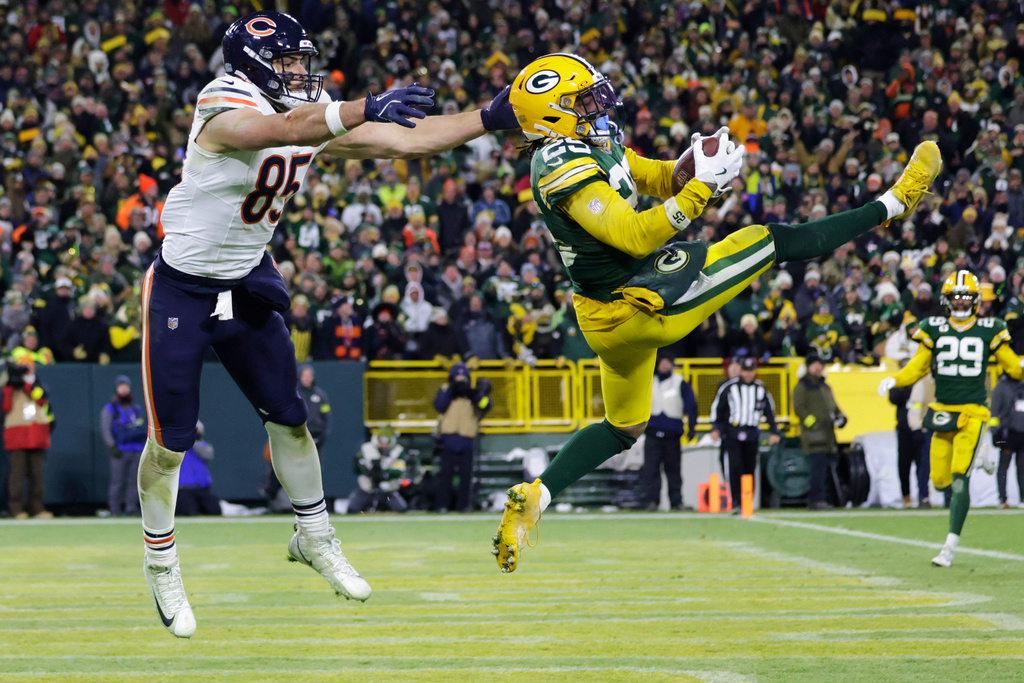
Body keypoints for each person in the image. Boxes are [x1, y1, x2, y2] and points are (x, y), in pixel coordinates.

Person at [137, 11, 519, 638]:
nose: (299, 72)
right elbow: (278, 128)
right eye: (288, 61)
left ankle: (314, 535)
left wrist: (487, 119)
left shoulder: (305, 111)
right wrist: (364, 103)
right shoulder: (222, 102)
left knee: (291, 417)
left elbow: (403, 141)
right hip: (183, 287)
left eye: (299, 60)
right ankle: (162, 563)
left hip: (247, 274)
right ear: (255, 62)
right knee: (170, 442)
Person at [492, 52, 940, 572]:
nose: (599, 104)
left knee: (623, 426)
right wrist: (701, 188)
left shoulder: (590, 142)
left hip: (603, 315)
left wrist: (690, 165)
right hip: (636, 306)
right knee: (769, 240)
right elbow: (634, 234)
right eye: (583, 100)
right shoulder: (557, 165)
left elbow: (653, 176)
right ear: (552, 113)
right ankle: (895, 203)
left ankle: (536, 499)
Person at [878, 271, 1024, 567]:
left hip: (973, 411)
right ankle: (981, 459)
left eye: (965, 297)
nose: (960, 303)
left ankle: (949, 547)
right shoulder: (933, 327)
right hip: (942, 410)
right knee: (940, 480)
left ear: (975, 300)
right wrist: (896, 380)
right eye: (955, 297)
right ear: (946, 300)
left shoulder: (989, 327)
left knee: (959, 479)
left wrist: (1022, 364)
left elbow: (1012, 367)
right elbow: (918, 366)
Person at [709, 357, 782, 513]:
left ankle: (746, 501)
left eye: (751, 371)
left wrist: (774, 431)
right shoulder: (729, 388)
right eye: (746, 371)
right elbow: (718, 409)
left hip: (752, 433)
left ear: (755, 371)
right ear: (741, 370)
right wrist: (716, 428)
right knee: (734, 467)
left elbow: (769, 412)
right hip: (733, 432)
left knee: (749, 468)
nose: (748, 374)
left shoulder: (761, 389)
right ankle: (735, 502)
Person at [640, 354, 697, 511]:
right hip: (652, 432)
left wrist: (692, 426)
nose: (665, 366)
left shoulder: (680, 382)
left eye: (668, 363)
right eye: (663, 363)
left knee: (673, 470)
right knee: (651, 469)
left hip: (672, 434)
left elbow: (691, 404)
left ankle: (676, 501)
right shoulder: (648, 380)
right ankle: (651, 501)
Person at [432, 362, 492, 512]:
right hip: (449, 437)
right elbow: (439, 406)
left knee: (466, 475)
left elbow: (486, 405)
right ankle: (443, 505)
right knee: (446, 475)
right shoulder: (446, 390)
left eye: (463, 376)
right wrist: (452, 392)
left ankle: (463, 506)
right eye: (457, 376)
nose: (460, 379)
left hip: (467, 437)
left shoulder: (472, 393)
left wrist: (475, 394)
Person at [792, 353, 847, 510]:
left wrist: (841, 418)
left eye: (820, 364)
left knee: (826, 470)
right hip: (814, 437)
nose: (818, 367)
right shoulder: (802, 386)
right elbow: (799, 409)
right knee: (818, 470)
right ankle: (816, 500)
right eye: (815, 364)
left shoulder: (825, 386)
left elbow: (833, 407)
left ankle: (827, 499)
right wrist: (813, 424)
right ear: (808, 367)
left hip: (828, 436)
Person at [2, 358, 54, 519]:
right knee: (17, 475)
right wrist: (10, 380)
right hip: (17, 436)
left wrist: (28, 382)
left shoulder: (37, 384)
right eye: (23, 368)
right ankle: (16, 509)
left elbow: (42, 398)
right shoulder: (8, 386)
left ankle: (37, 508)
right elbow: (5, 406)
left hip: (36, 436)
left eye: (29, 367)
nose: (26, 371)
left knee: (36, 475)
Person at [100, 375, 147, 517]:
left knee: (135, 482)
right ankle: (114, 509)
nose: (124, 389)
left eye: (126, 386)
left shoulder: (136, 408)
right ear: (116, 388)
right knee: (117, 482)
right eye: (121, 386)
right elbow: (105, 428)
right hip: (120, 450)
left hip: (136, 449)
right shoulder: (110, 408)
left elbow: (142, 426)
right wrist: (112, 446)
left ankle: (131, 508)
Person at [347, 425, 408, 513]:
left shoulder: (398, 451)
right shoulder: (366, 449)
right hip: (368, 488)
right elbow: (357, 469)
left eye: (387, 441)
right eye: (382, 440)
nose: (384, 444)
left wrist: (385, 474)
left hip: (387, 489)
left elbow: (399, 471)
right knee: (352, 508)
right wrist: (364, 469)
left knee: (401, 509)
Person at [991, 372, 1024, 509]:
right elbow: (994, 410)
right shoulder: (1001, 387)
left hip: (1022, 432)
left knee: (1022, 467)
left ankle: (1022, 498)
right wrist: (994, 432)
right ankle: (1002, 498)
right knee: (1004, 465)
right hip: (1007, 432)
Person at [176, 421, 220, 516]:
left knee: (215, 510)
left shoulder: (203, 445)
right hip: (184, 488)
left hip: (202, 487)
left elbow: (208, 455)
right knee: (189, 512)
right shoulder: (177, 446)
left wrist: (193, 441)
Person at [297, 365, 331, 457]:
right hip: (299, 435)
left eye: (309, 376)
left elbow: (326, 415)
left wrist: (323, 434)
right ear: (300, 377)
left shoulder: (321, 395)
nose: (307, 378)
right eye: (305, 376)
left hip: (317, 434)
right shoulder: (295, 395)